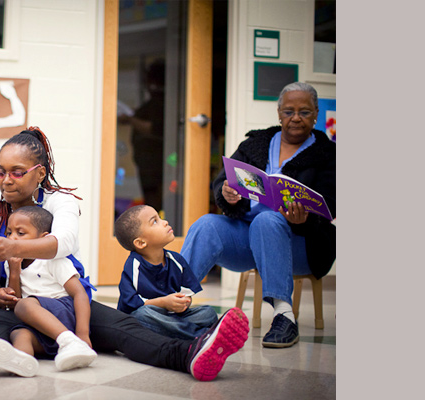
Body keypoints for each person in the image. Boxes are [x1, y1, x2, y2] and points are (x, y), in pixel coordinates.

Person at [0, 126, 250, 382]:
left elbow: (62, 243)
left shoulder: (60, 202)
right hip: (20, 307)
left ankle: (190, 354)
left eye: (17, 172)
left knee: (126, 331)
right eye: (1, 171)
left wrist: (13, 247)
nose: (6, 180)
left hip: (66, 303)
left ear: (39, 172)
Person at [180, 82, 336, 349]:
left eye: (304, 112)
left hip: (299, 245)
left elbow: (331, 203)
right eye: (288, 111)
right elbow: (222, 181)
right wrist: (226, 193)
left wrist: (306, 219)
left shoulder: (328, 154)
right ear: (278, 113)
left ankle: (284, 317)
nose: (296, 117)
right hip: (246, 239)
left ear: (316, 114)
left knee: (268, 220)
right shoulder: (256, 143)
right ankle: (175, 302)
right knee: (207, 224)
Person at [0, 206, 96, 377]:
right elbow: (15, 300)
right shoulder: (11, 262)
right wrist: (14, 271)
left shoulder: (53, 260)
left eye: (20, 233)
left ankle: (71, 341)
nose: (12, 238)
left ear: (43, 239)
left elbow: (79, 293)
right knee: (19, 333)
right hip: (39, 323)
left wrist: (82, 333)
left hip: (62, 312)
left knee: (24, 305)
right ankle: (22, 362)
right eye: (9, 233)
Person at [114, 205, 218, 340]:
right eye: (155, 221)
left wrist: (182, 303)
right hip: (142, 318)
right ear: (141, 242)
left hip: (170, 317)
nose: (165, 222)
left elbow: (186, 294)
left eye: (160, 217)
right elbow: (131, 304)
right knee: (142, 315)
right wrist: (163, 302)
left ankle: (183, 332)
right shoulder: (133, 265)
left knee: (208, 313)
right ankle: (201, 336)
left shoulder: (176, 260)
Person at [117, 60, 166, 212]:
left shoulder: (164, 103)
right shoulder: (152, 103)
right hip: (146, 165)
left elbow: (155, 129)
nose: (147, 83)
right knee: (151, 202)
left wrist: (130, 119)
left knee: (156, 204)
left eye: (150, 79)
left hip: (158, 166)